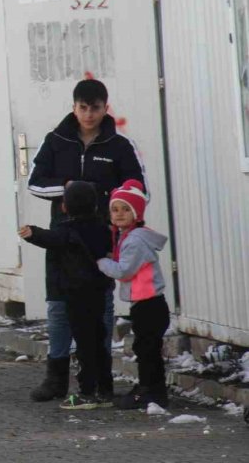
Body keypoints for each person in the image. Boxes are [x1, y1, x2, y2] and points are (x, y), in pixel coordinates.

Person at [26, 78, 145, 401]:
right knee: (58, 306)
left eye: (95, 108)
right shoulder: (56, 141)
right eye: (83, 107)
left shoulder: (120, 146)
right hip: (60, 237)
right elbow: (35, 183)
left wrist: (103, 202)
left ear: (106, 108)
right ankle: (56, 377)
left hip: (100, 239)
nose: (88, 114)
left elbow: (137, 189)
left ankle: (99, 377)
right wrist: (71, 188)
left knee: (100, 308)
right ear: (74, 107)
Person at [18, 181, 114, 409]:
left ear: (65, 207)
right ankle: (105, 391)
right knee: (99, 342)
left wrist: (32, 233)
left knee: (84, 345)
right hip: (99, 292)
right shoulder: (102, 228)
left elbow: (53, 239)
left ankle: (85, 393)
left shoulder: (68, 230)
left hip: (76, 296)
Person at [97, 180, 170, 409]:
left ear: (137, 213)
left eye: (126, 209)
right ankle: (150, 389)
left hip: (150, 305)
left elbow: (124, 271)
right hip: (145, 304)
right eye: (115, 209)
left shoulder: (136, 240)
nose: (119, 214)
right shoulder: (129, 236)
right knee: (145, 349)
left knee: (147, 351)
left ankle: (151, 392)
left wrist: (100, 261)